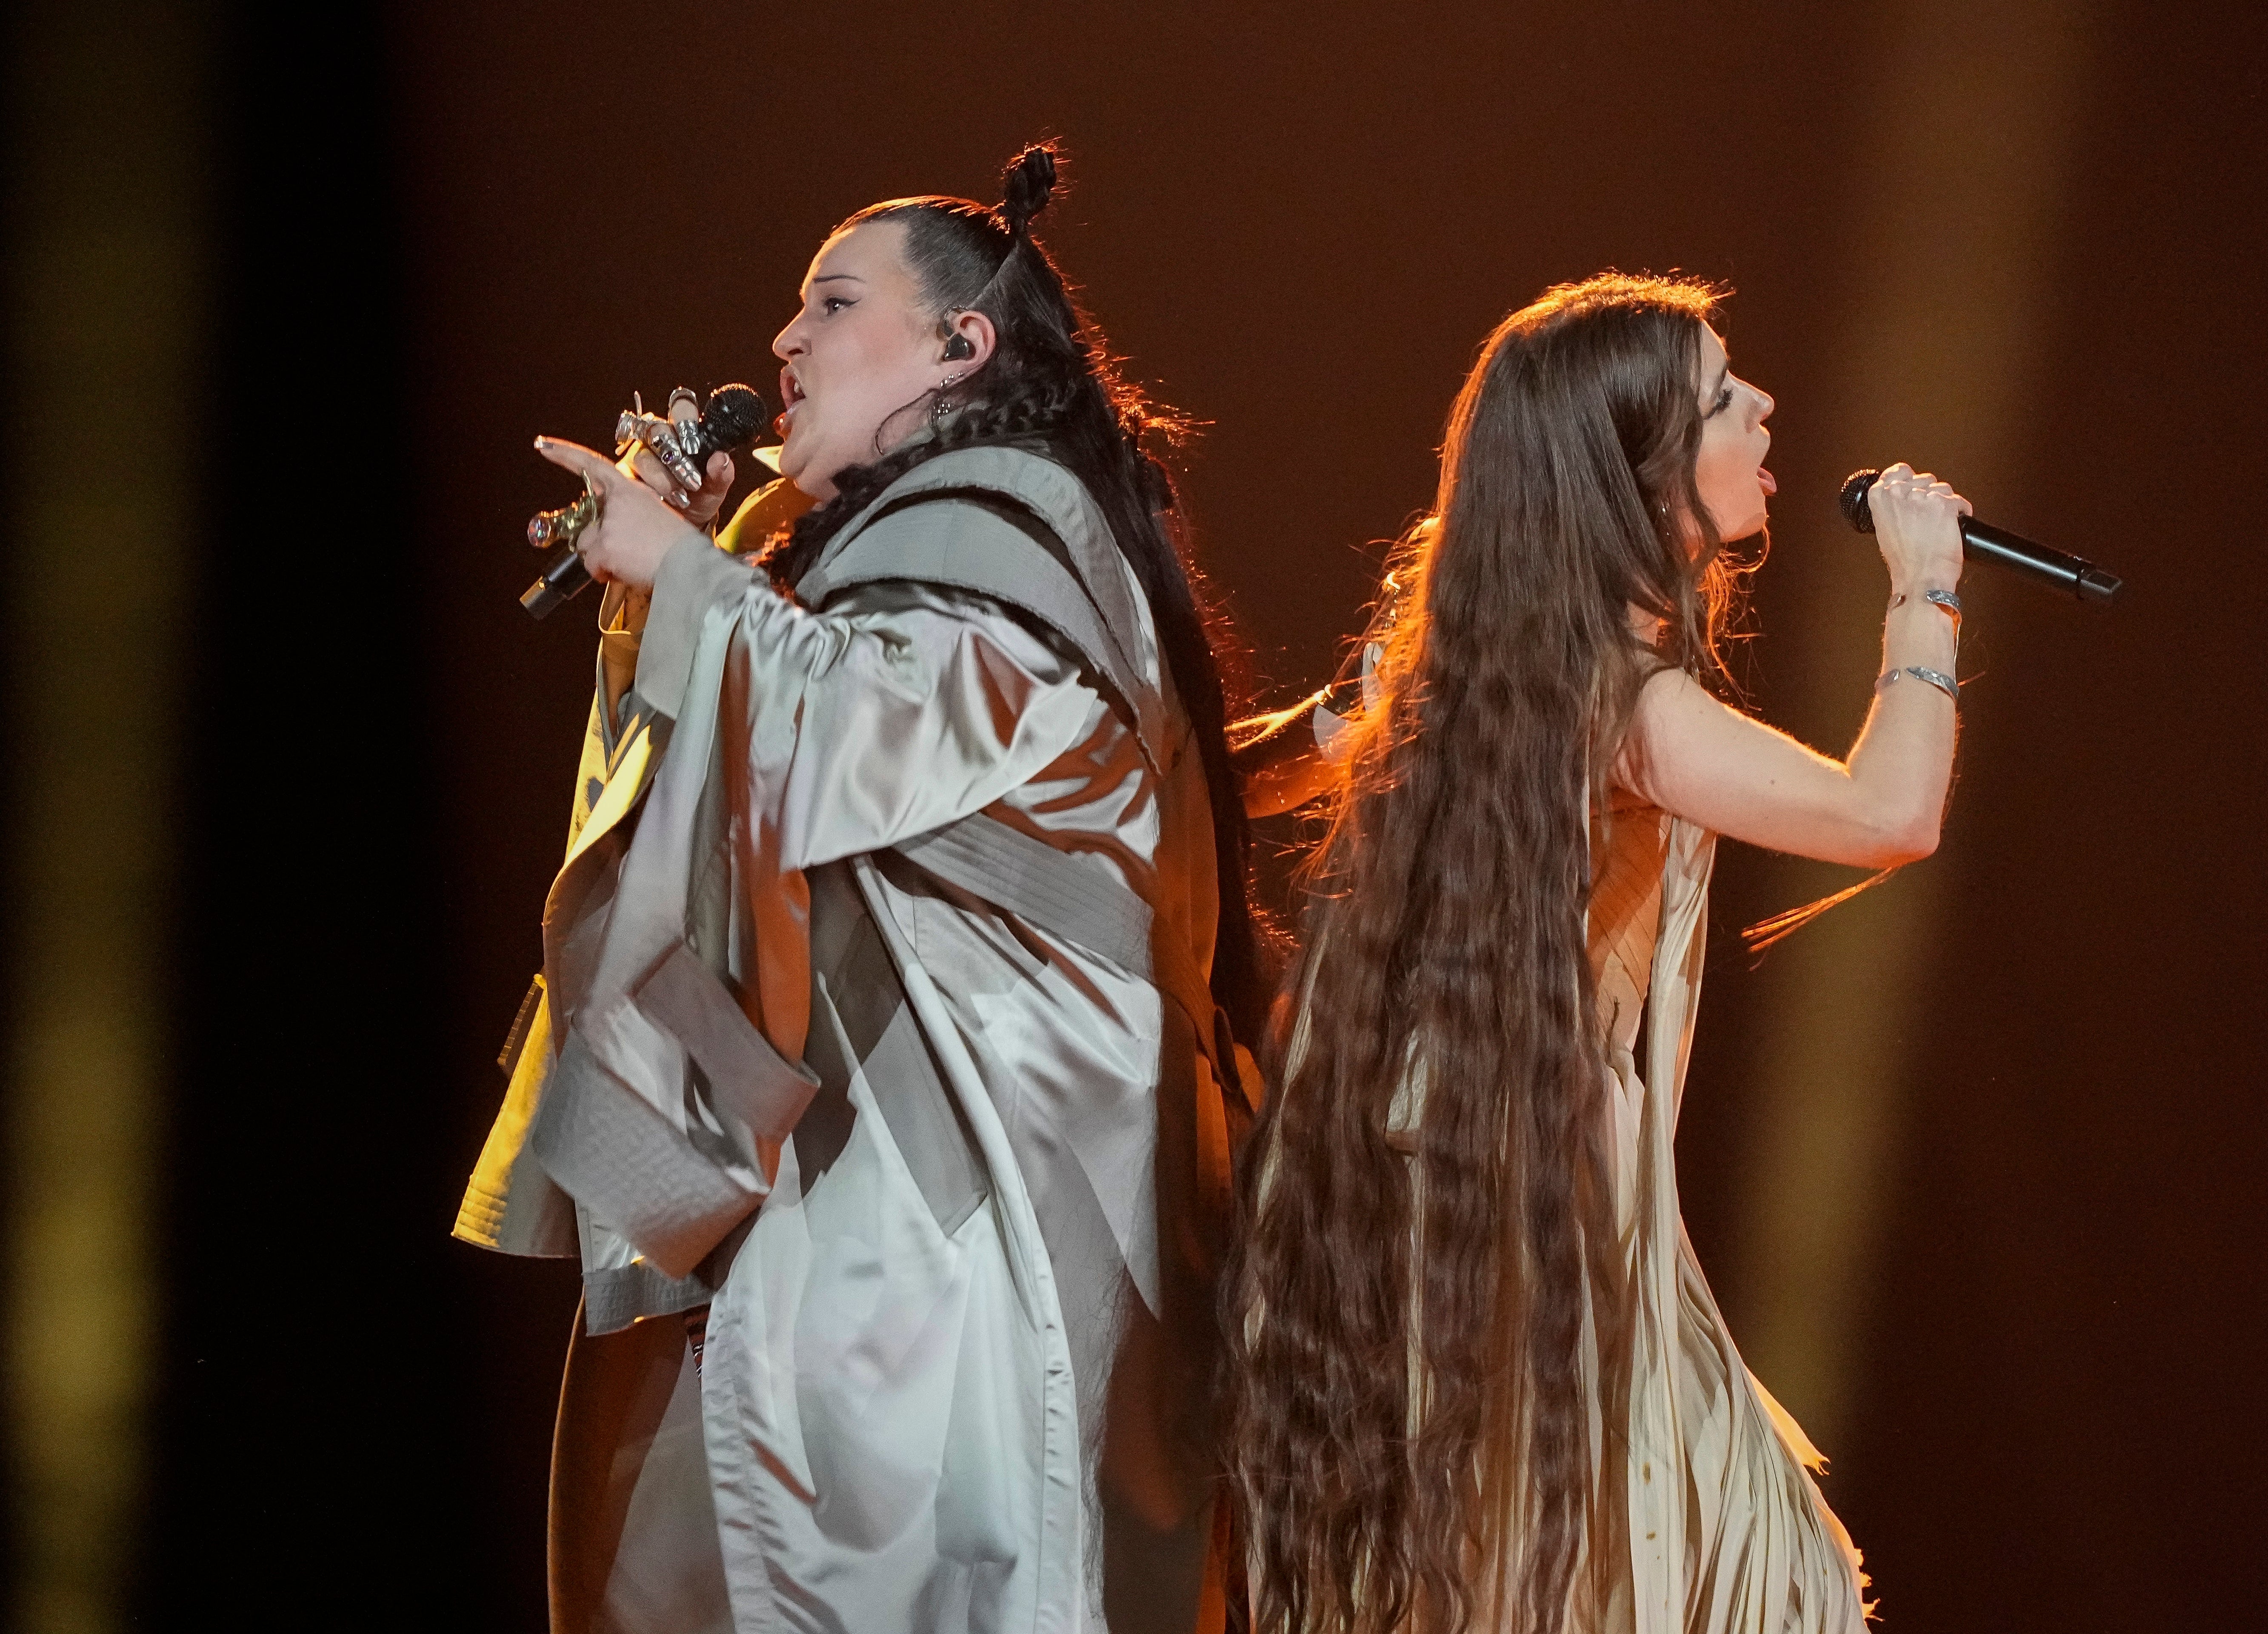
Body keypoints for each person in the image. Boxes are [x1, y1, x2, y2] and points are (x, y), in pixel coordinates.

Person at [454, 145, 1268, 1633]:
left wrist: (692, 582)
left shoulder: (1007, 528)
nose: (786, 343)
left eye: (833, 304)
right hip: (887, 1210)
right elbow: (781, 745)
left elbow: (864, 734)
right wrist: (686, 574)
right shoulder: (917, 543)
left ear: (965, 348)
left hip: (976, 1245)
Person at [1222, 272, 1968, 1634]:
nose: (1765, 407)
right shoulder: (1631, 706)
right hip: (1536, 1213)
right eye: (1724, 397)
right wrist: (1926, 593)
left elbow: (1249, 777)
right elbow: (1889, 814)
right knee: (1734, 1577)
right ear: (1642, 473)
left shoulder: (1466, 665)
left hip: (1444, 1197)